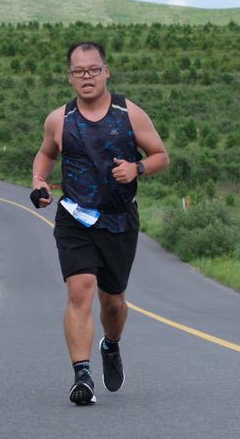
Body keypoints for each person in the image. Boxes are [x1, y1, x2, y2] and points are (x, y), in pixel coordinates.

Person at [31, 41, 169, 405]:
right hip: (75, 217)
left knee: (113, 302)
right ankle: (82, 376)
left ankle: (111, 344)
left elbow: (160, 156)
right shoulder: (59, 119)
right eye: (79, 71)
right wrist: (40, 185)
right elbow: (45, 155)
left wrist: (136, 167)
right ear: (70, 77)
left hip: (119, 220)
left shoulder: (129, 113)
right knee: (80, 291)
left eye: (93, 70)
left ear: (107, 71)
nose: (87, 77)